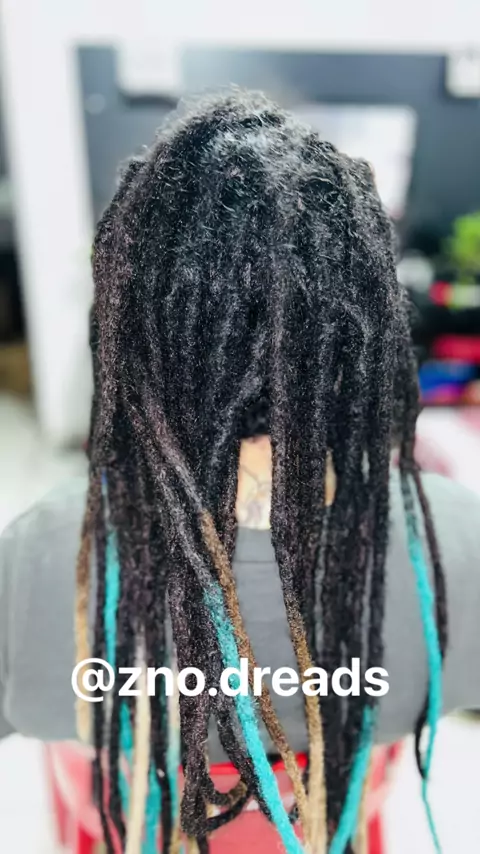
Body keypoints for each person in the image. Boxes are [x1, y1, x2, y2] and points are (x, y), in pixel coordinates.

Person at [0, 89, 479, 854]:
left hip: (136, 823)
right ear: (366, 329)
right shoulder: (454, 546)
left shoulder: (39, 559)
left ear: (133, 324)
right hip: (333, 820)